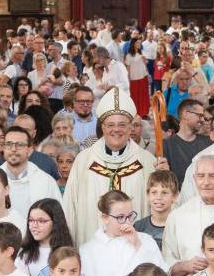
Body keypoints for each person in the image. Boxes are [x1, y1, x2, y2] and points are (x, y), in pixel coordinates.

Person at [62, 87, 161, 244]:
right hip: (92, 248)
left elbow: (158, 209)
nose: (116, 130)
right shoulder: (84, 161)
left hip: (134, 250)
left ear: (130, 128)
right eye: (110, 125)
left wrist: (164, 176)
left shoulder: (146, 161)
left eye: (122, 125)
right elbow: (69, 208)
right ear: (102, 127)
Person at [0, 126, 63, 217]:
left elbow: (58, 218)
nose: (13, 149)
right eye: (9, 144)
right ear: (4, 149)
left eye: (20, 144)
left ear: (30, 150)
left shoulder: (45, 181)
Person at [17, 199, 74, 276]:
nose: (34, 226)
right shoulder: (24, 254)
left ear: (55, 222)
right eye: (31, 220)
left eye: (41, 221)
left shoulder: (69, 253)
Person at [163, 98, 212, 186]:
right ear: (185, 114)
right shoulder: (166, 145)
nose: (203, 120)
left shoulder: (208, 143)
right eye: (199, 116)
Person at [134, 169, 179, 249]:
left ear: (175, 196)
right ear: (148, 195)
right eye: (154, 192)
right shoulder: (139, 227)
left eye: (164, 193)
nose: (159, 197)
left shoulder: (180, 226)